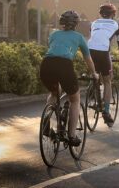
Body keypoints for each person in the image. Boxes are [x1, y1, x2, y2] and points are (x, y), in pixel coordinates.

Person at [40, 10, 99, 146]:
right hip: (64, 65)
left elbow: (55, 49)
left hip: (46, 64)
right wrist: (94, 73)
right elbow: (87, 58)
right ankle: (72, 136)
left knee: (54, 92)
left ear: (62, 23)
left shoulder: (53, 34)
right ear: (76, 24)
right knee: (75, 99)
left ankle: (46, 122)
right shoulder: (79, 37)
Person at [87, 3, 119, 127]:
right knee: (107, 81)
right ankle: (106, 111)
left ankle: (94, 91)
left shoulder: (93, 23)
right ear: (113, 14)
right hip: (103, 52)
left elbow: (95, 37)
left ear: (100, 14)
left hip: (90, 51)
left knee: (95, 74)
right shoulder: (116, 24)